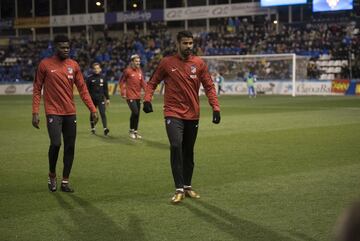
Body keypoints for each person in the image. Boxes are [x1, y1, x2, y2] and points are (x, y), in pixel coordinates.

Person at [143, 30, 221, 204]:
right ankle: (178, 188)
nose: (188, 46)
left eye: (190, 43)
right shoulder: (166, 63)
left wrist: (215, 107)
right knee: (176, 145)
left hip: (193, 114)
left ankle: (187, 186)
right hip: (173, 112)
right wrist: (147, 99)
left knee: (188, 152)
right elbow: (153, 82)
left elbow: (209, 86)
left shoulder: (199, 63)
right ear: (177, 44)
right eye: (185, 43)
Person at [32, 35, 98, 193]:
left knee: (70, 147)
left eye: (68, 47)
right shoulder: (45, 64)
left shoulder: (73, 65)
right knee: (56, 144)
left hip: (70, 112)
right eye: (63, 47)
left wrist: (93, 109)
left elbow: (82, 89)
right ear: (55, 47)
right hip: (53, 111)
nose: (66, 50)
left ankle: (65, 181)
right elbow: (37, 89)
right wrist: (35, 111)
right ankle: (52, 174)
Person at [119, 54, 146, 139]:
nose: (138, 63)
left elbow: (143, 83)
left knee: (137, 115)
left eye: (139, 61)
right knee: (135, 112)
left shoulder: (140, 71)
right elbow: (121, 82)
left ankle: (135, 132)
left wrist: (148, 92)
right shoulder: (127, 71)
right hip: (130, 96)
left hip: (138, 96)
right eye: (136, 61)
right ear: (132, 62)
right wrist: (123, 92)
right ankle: (131, 131)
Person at [86, 62, 110, 136]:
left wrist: (108, 98)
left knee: (103, 113)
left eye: (97, 68)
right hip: (92, 100)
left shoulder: (103, 78)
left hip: (101, 99)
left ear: (100, 69)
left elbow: (105, 89)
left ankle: (105, 129)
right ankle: (93, 128)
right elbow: (87, 90)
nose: (96, 70)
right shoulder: (89, 79)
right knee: (93, 114)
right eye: (95, 68)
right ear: (93, 70)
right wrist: (88, 99)